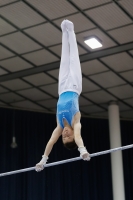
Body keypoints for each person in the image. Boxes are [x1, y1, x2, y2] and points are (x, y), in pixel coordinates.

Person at [35, 19, 90, 172]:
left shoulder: (59, 126)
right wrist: (82, 150)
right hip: (74, 86)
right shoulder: (76, 121)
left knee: (64, 58)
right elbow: (79, 138)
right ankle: (70, 30)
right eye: (68, 136)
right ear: (73, 134)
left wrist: (43, 160)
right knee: (73, 59)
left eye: (64, 138)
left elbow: (51, 142)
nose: (65, 135)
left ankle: (63, 31)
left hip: (61, 89)